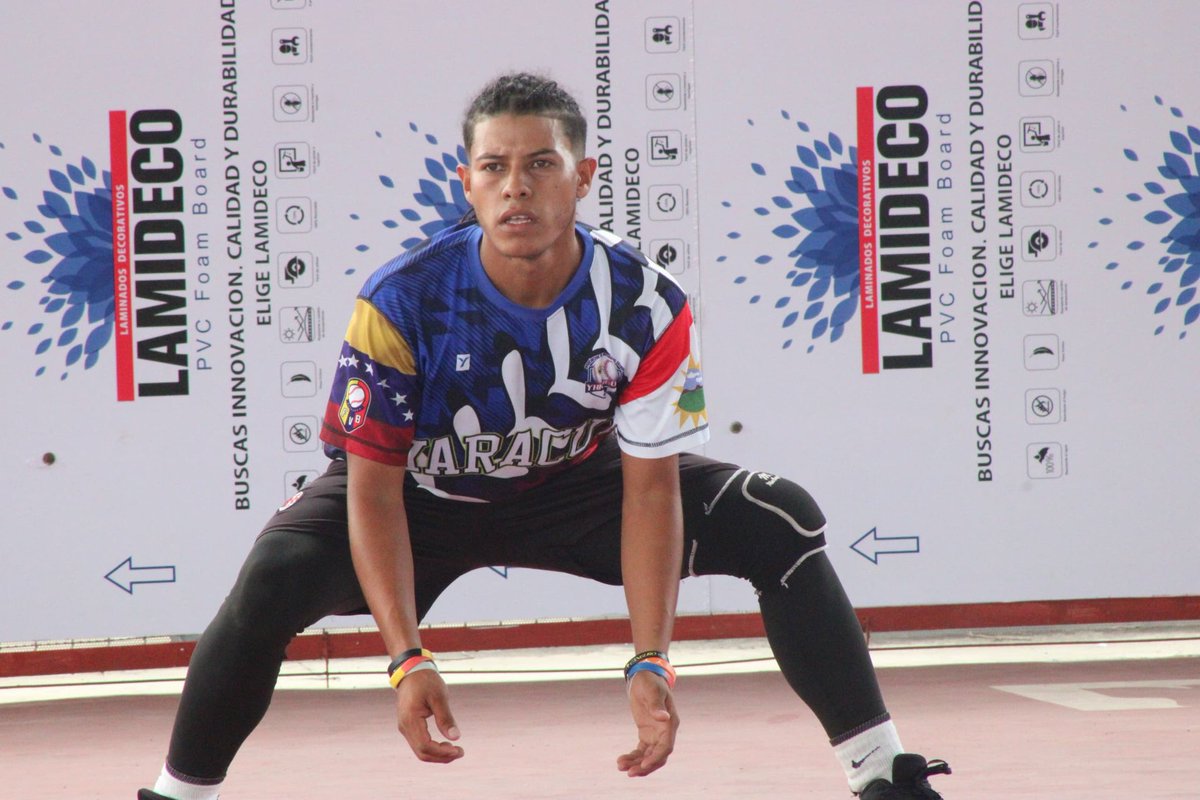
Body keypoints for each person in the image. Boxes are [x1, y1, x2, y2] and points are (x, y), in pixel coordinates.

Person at [139, 72, 950, 800]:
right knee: (273, 574)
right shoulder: (400, 302)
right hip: (423, 498)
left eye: (541, 165)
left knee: (781, 519)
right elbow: (373, 491)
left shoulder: (645, 303)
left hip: (577, 487)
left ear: (584, 177)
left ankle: (883, 774)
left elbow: (651, 486)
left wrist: (650, 659)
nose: (516, 187)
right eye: (494, 167)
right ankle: (177, 797)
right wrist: (407, 659)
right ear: (468, 181)